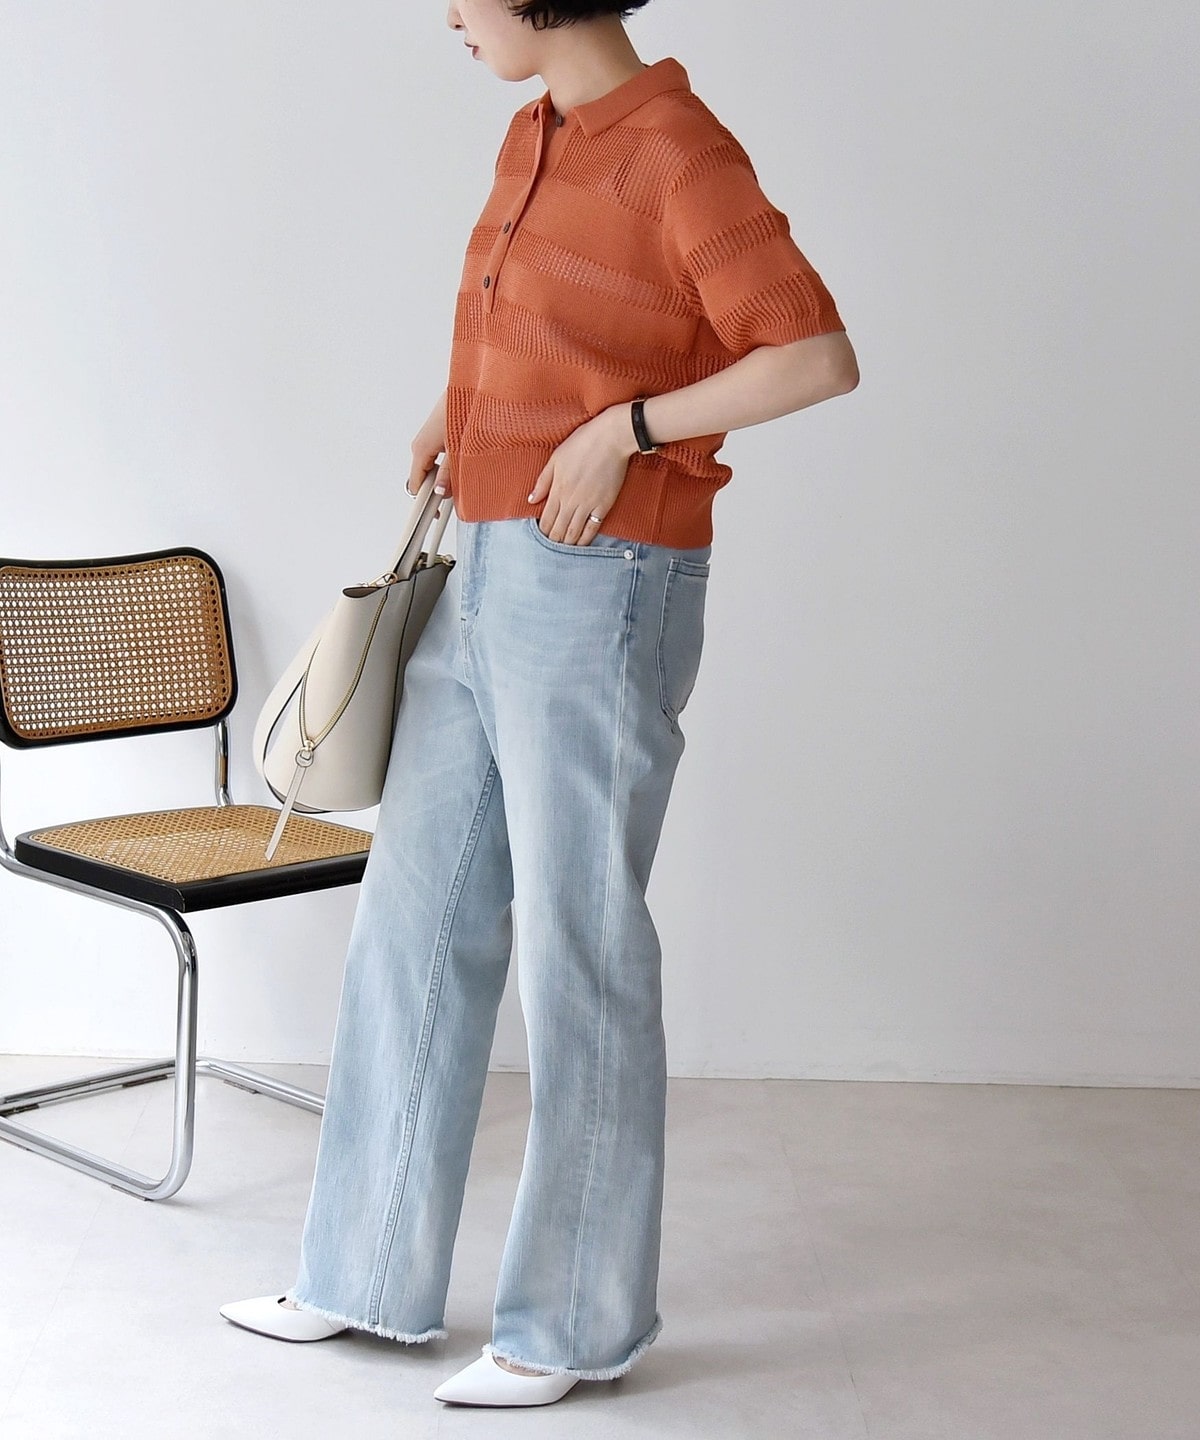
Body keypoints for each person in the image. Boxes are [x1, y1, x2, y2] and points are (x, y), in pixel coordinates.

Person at [220, 0, 858, 1410]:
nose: (449, 11)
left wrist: (624, 432)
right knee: (415, 918)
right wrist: (460, 415)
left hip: (606, 582)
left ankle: (569, 1325)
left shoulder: (677, 147)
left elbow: (813, 354)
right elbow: (556, 332)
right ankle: (362, 1275)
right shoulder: (534, 134)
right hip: (487, 564)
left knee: (581, 945)